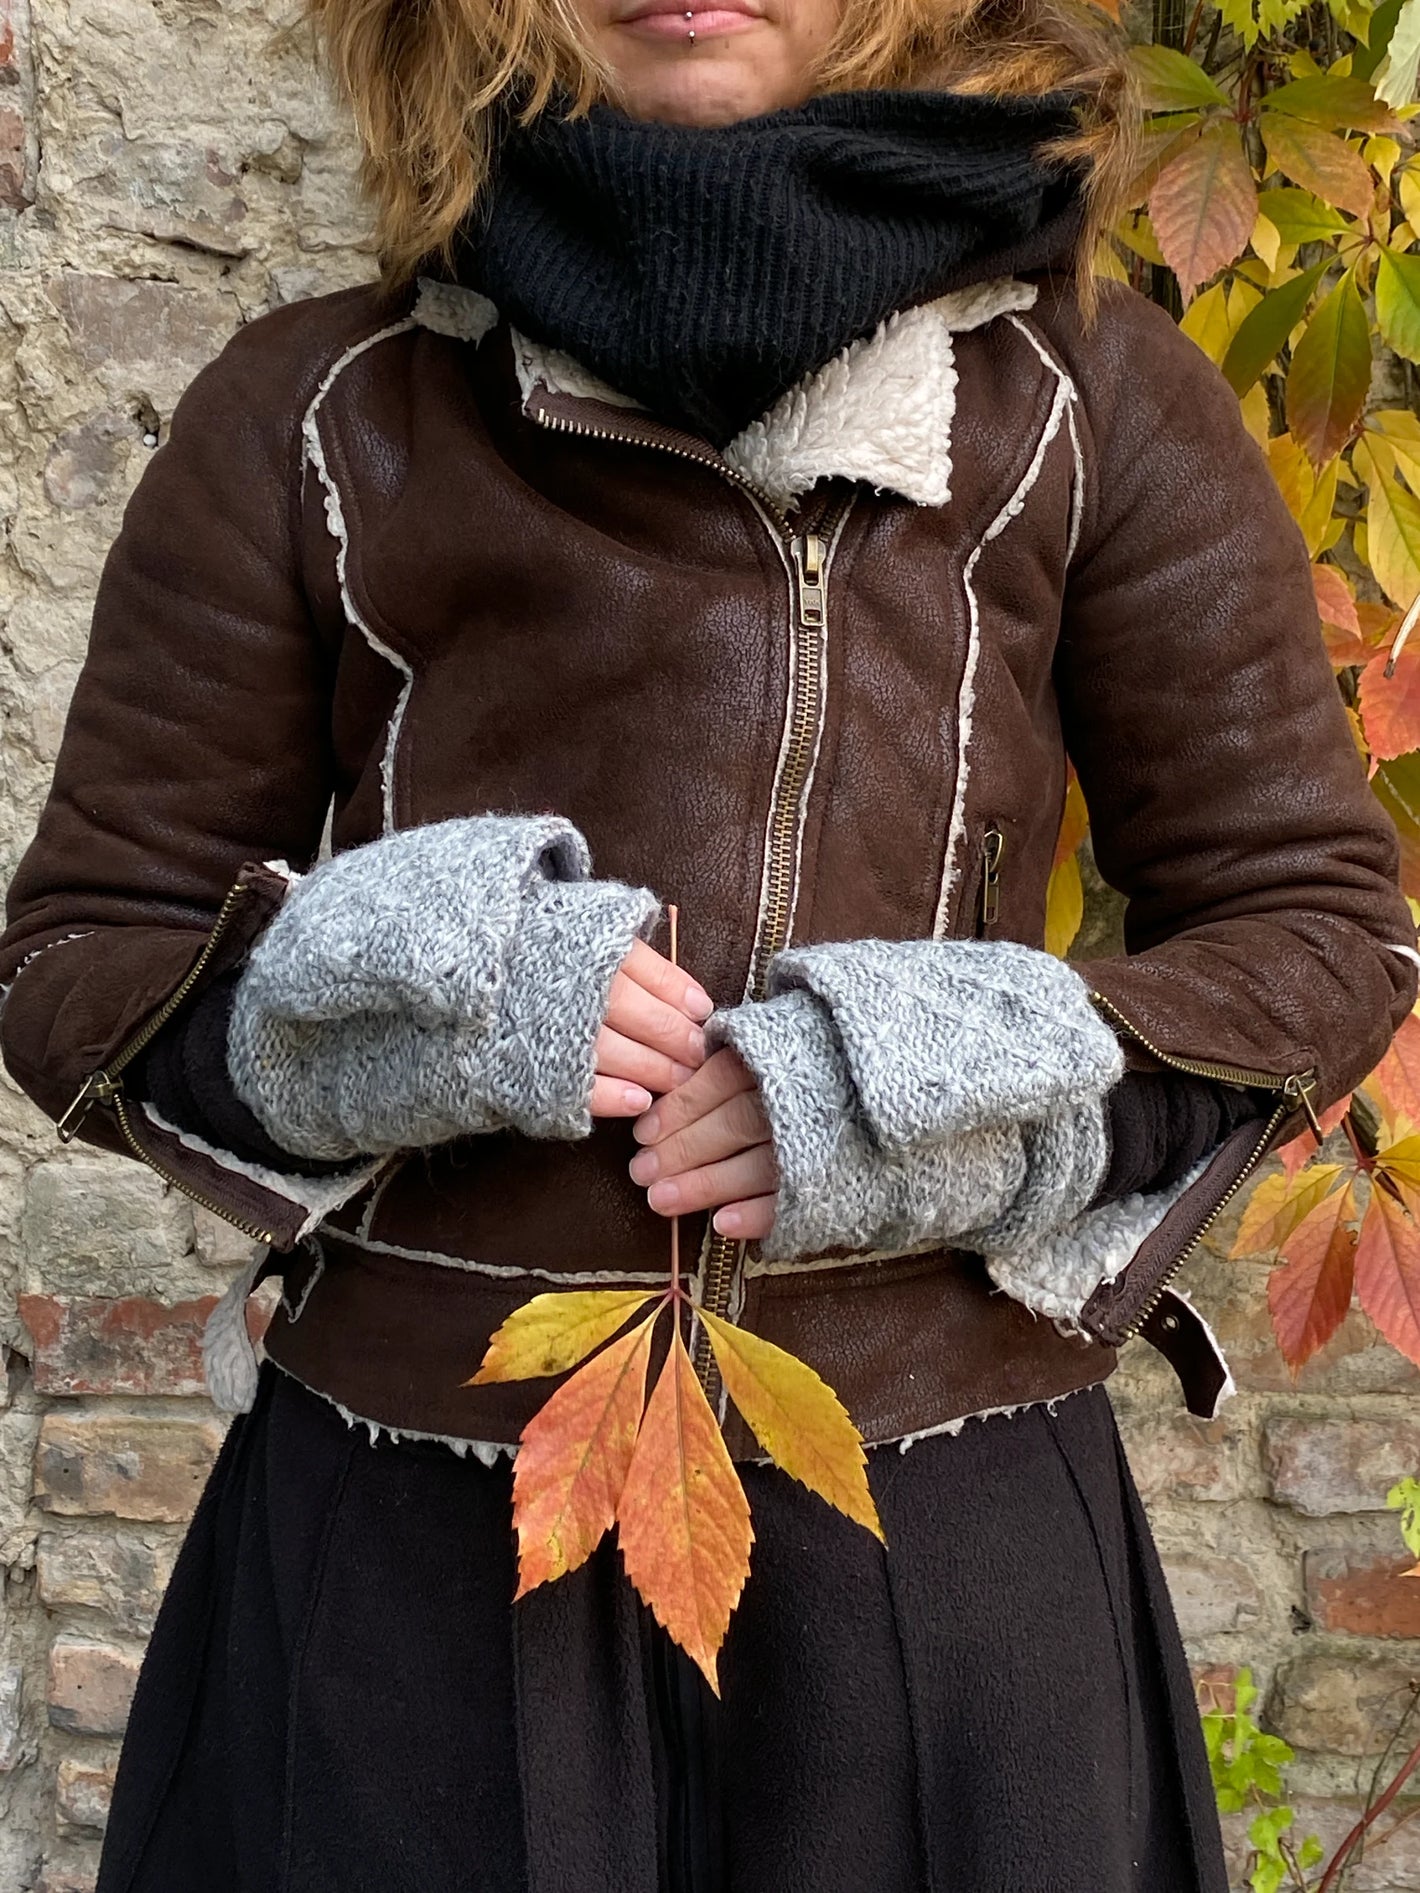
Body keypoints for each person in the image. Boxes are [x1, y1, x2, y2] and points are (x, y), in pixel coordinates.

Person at [2, 0, 1415, 1887]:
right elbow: (82, 955)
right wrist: (387, 1012)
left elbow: (1317, 931)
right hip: (416, 1556)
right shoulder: (317, 409)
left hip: (947, 1558)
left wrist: (946, 1089)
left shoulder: (1097, 404)